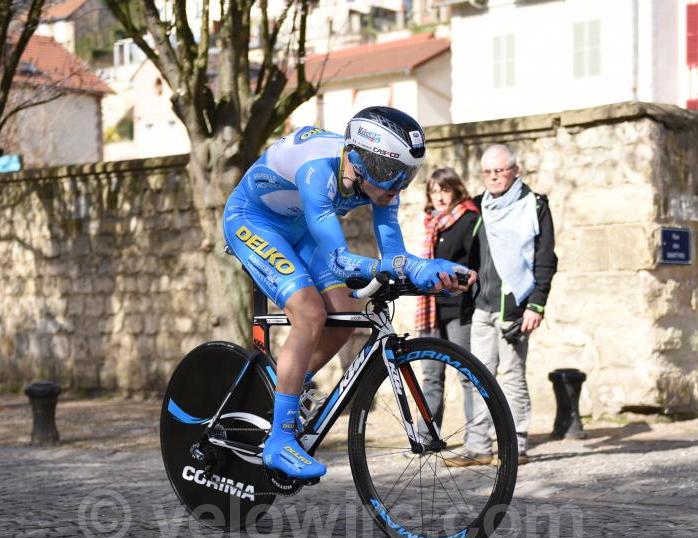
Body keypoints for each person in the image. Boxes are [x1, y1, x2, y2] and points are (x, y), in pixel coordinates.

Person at [223, 107, 477, 480]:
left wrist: (430, 272)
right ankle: (280, 439)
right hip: (253, 220)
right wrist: (406, 268)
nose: (397, 187)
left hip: (297, 225)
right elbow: (341, 261)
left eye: (406, 175)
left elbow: (395, 258)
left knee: (343, 318)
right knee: (309, 313)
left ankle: (278, 395)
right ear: (359, 160)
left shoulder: (380, 184)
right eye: (392, 173)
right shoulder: (317, 172)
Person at [461, 144, 557, 466]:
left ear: (514, 170)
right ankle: (478, 446)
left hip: (513, 307)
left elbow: (545, 258)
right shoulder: (477, 207)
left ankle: (515, 446)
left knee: (512, 377)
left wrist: (537, 305)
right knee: (477, 376)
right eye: (488, 172)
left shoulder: (534, 205)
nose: (493, 177)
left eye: (500, 171)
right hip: (481, 307)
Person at [415, 168, 480, 453]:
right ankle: (426, 440)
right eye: (434, 190)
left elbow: (476, 265)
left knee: (467, 375)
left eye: (444, 190)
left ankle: (477, 442)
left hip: (458, 309)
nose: (439, 196)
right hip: (431, 310)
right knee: (430, 377)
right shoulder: (432, 224)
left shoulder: (468, 219)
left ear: (456, 190)